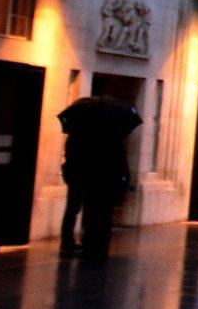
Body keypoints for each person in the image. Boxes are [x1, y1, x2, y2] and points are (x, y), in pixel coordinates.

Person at [57, 93, 141, 260]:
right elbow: (118, 161)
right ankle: (98, 245)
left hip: (79, 178)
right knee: (100, 213)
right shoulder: (111, 139)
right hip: (97, 181)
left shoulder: (76, 136)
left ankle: (70, 242)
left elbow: (70, 158)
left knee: (75, 209)